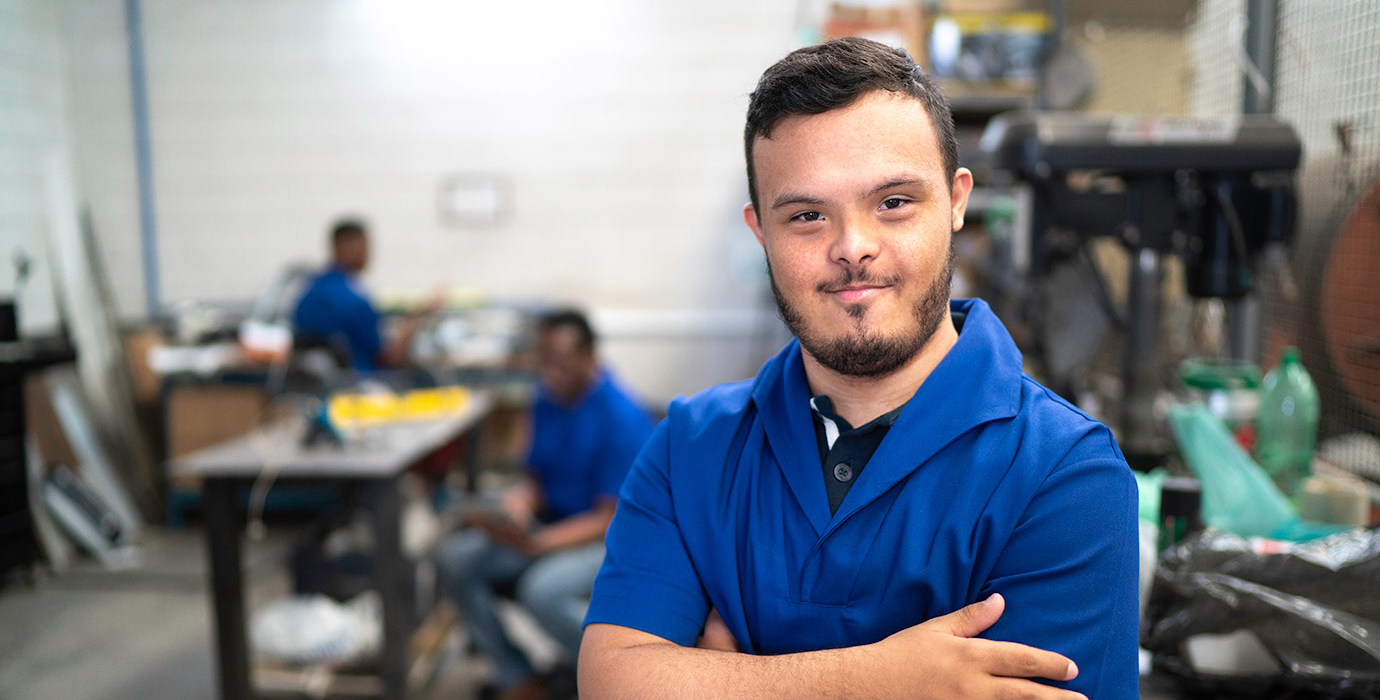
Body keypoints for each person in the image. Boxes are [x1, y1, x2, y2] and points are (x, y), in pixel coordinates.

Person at [579, 37, 1139, 700]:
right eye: (808, 215)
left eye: (894, 202)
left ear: (957, 201)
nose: (853, 248)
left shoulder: (1066, 475)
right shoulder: (688, 451)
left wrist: (722, 676)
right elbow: (613, 683)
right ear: (761, 232)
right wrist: (878, 678)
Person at [437, 309, 654, 700]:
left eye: (563, 366)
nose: (552, 375)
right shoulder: (547, 400)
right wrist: (520, 502)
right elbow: (537, 476)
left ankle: (615, 679)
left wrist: (541, 544)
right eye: (545, 363)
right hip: (551, 526)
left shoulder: (621, 418)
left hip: (610, 541)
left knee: (543, 590)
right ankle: (518, 677)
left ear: (589, 358)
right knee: (456, 558)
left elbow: (609, 520)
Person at [291, 218, 433, 372]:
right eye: (364, 246)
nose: (368, 254)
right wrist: (416, 320)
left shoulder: (309, 289)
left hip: (320, 383)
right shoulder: (352, 299)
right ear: (342, 245)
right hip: (361, 384)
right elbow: (388, 358)